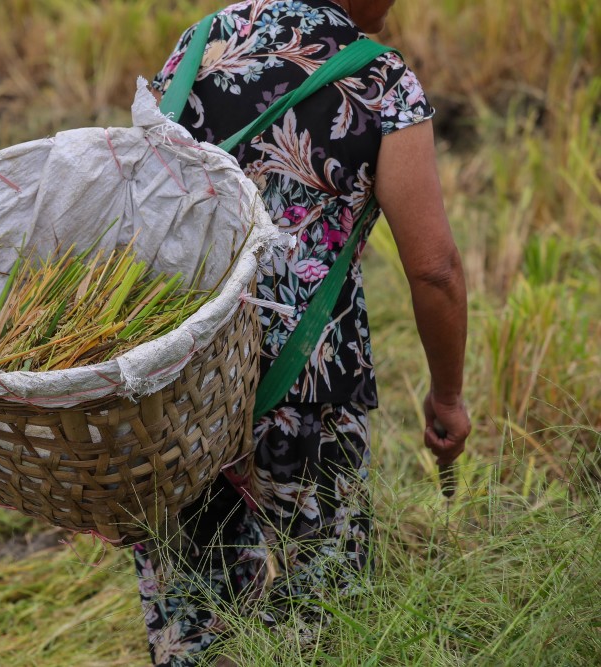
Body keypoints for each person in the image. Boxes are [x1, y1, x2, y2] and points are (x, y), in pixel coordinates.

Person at [136, 1, 471, 664]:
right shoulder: (380, 82)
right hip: (311, 386)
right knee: (319, 617)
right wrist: (448, 396)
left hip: (178, 377)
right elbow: (434, 270)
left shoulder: (201, 42)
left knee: (193, 625)